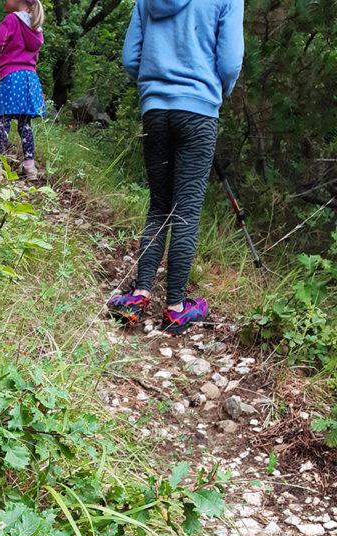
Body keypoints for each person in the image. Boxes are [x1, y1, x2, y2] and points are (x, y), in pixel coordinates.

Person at [107, 0, 244, 336]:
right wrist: (213, 93)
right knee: (186, 211)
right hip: (199, 108)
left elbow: (130, 58)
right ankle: (176, 309)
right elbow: (229, 62)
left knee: (159, 205)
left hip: (154, 108)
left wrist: (151, 89)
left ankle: (138, 297)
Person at [0, 0, 46, 182]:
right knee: (25, 124)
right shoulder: (36, 26)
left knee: (3, 122)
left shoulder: (12, 20)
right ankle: (29, 166)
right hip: (30, 79)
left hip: (11, 77)